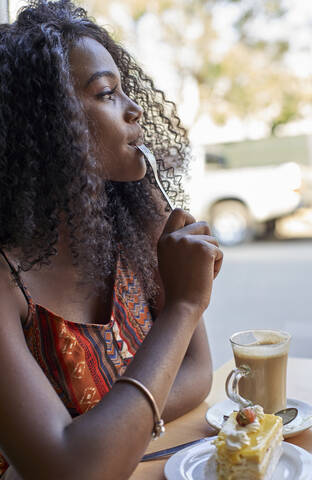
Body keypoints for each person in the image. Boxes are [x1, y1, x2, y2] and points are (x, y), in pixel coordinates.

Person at [0, 1, 223, 478]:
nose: (135, 109)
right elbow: (73, 470)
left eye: (125, 90)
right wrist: (184, 306)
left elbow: (199, 372)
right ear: (45, 128)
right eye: (106, 93)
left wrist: (109, 431)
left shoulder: (141, 225)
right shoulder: (5, 278)